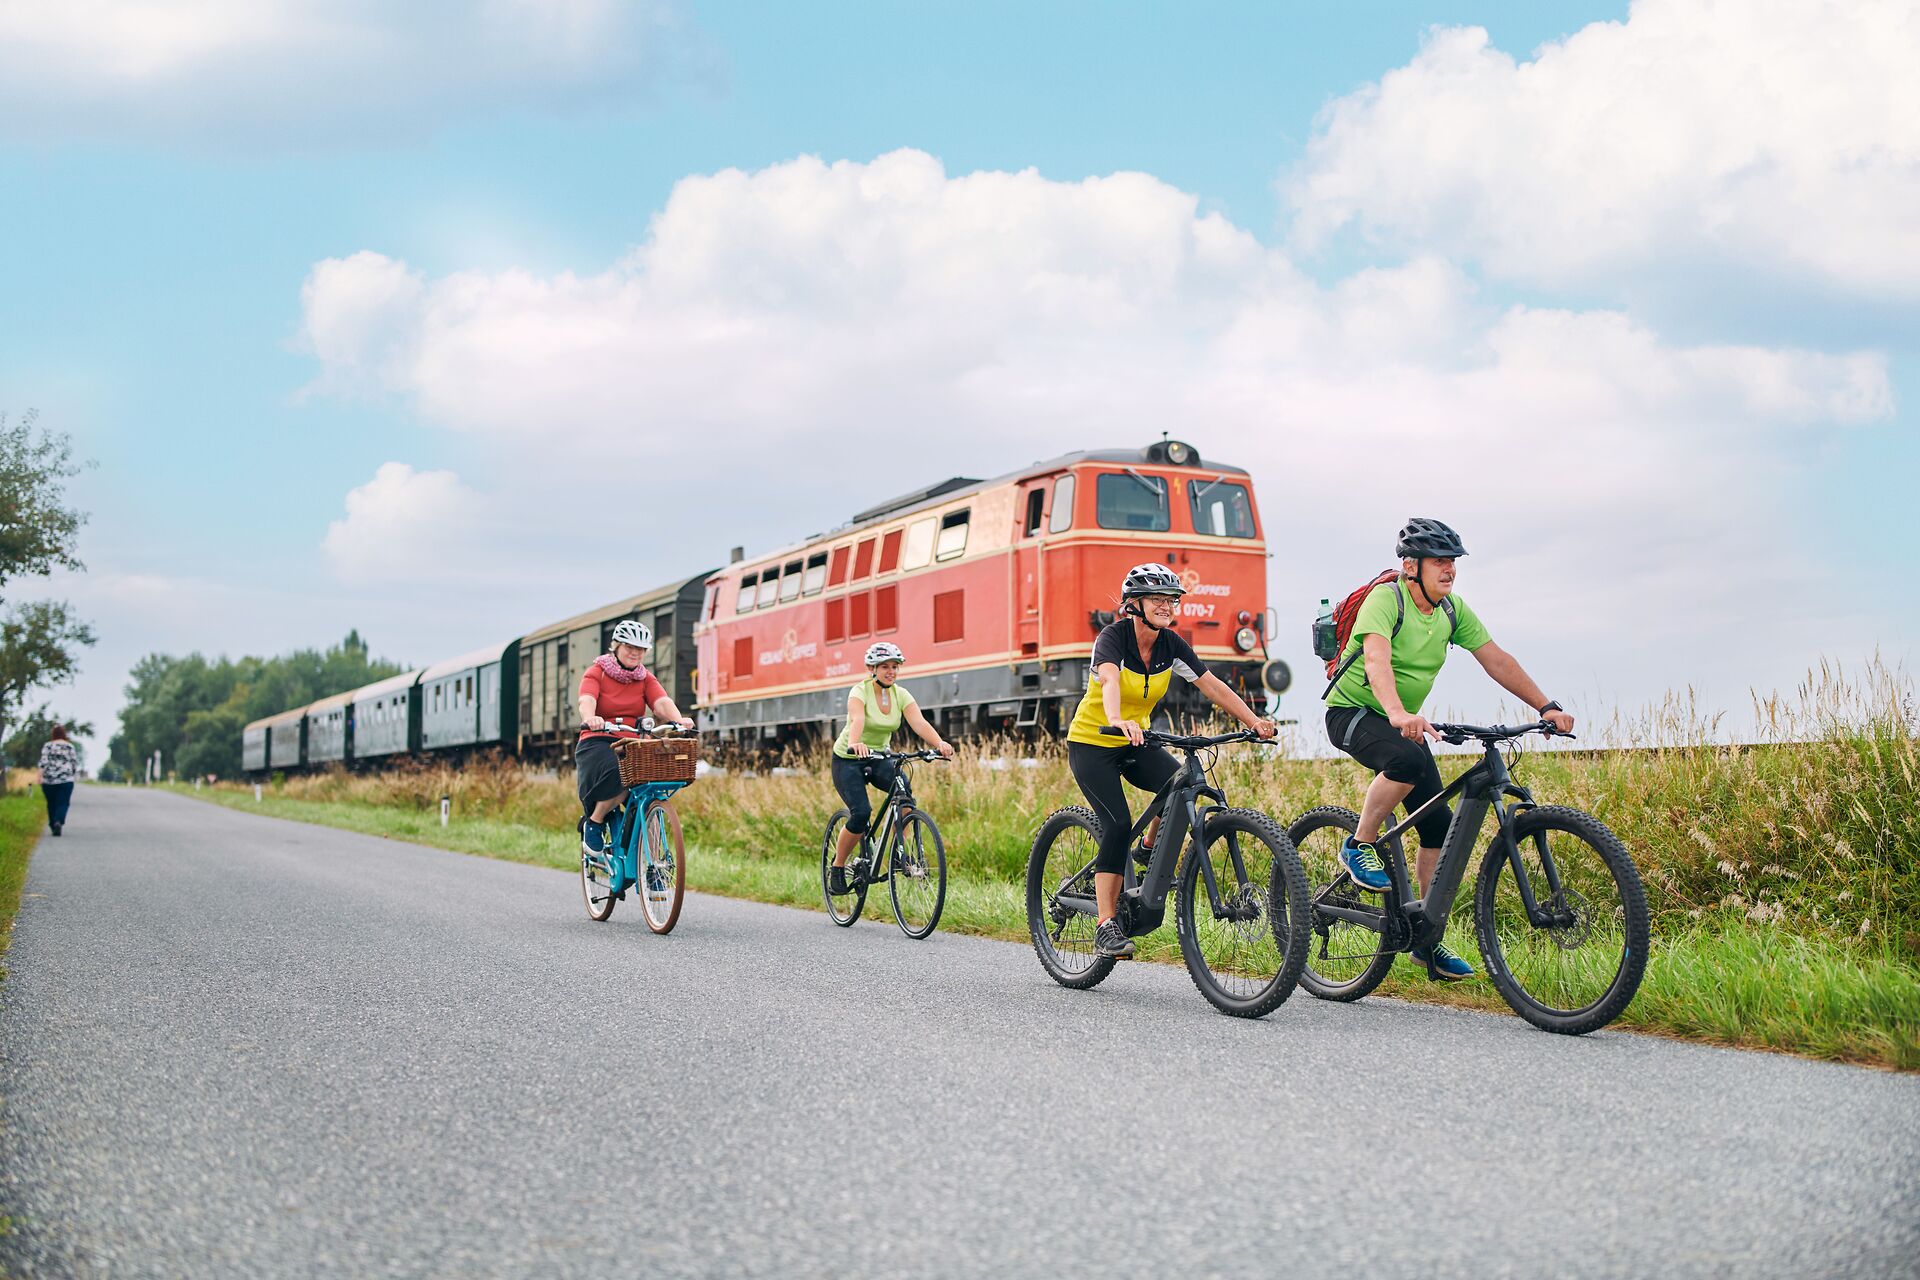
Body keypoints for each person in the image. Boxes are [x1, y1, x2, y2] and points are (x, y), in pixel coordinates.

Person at [1324, 517, 1575, 981]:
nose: (1449, 570)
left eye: (1453, 562)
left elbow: (1496, 658)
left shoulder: (1451, 611)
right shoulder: (1387, 599)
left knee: (1438, 825)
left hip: (1402, 721)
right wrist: (1398, 713)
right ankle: (1358, 844)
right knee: (1406, 759)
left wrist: (1546, 705)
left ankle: (1427, 940)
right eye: (1439, 561)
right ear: (1411, 565)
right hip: (1353, 712)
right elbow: (1377, 660)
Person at [1066, 564, 1277, 959]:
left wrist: (1254, 721)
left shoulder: (1170, 645)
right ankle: (1106, 924)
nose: (1166, 606)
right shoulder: (1112, 640)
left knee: (1180, 782)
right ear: (1134, 605)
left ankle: (1147, 849)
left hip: (1137, 739)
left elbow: (1210, 684)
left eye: (1171, 600)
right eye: (1157, 600)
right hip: (1093, 743)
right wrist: (1116, 720)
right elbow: (1109, 681)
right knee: (1116, 823)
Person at [825, 642, 954, 895]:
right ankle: (838, 866)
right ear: (872, 668)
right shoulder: (858, 692)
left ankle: (899, 853)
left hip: (878, 756)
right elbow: (857, 719)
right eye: (885, 667)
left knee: (905, 795)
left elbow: (918, 722)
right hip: (848, 758)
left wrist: (939, 743)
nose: (891, 671)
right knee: (861, 813)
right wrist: (855, 743)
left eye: (895, 667)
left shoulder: (900, 695)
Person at [576, 620, 695, 855]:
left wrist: (679, 720)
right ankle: (596, 820)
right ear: (617, 646)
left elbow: (661, 703)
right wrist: (591, 718)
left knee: (648, 789)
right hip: (598, 739)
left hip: (632, 741)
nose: (635, 652)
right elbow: (586, 700)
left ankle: (654, 864)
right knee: (623, 772)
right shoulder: (597, 672)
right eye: (629, 646)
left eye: (640, 649)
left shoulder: (644, 678)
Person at [38, 725, 78, 836]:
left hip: (49, 780)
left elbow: (43, 762)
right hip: (65, 780)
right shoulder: (70, 747)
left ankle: (52, 823)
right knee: (63, 802)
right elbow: (74, 763)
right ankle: (58, 821)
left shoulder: (48, 746)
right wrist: (72, 774)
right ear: (64, 734)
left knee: (51, 803)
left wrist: (39, 776)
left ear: (53, 734)